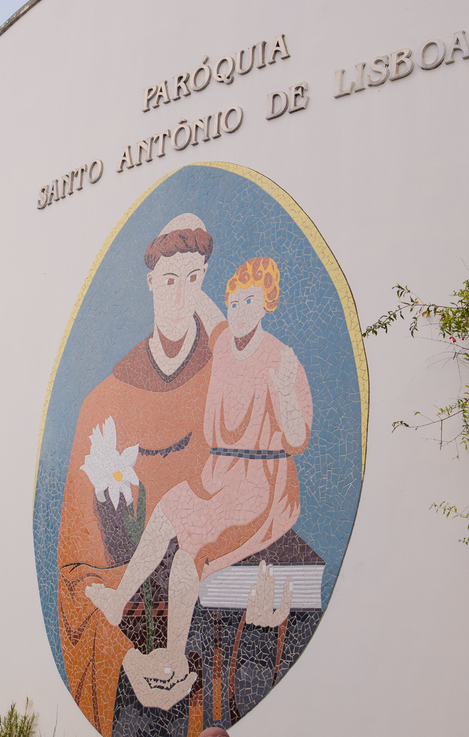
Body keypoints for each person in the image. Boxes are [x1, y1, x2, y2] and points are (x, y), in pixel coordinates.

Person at [84, 256, 312, 711]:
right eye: (234, 300)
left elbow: (299, 438)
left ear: (266, 303)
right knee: (168, 506)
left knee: (192, 556)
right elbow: (202, 306)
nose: (239, 307)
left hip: (259, 485)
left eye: (249, 299)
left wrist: (285, 393)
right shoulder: (225, 340)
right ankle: (119, 597)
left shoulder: (281, 359)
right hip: (219, 474)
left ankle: (171, 653)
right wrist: (180, 278)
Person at [56, 213, 226, 737]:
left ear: (206, 285)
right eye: (168, 280)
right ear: (151, 283)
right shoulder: (102, 405)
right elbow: (75, 573)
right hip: (129, 662)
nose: (179, 295)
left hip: (205, 649)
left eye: (193, 279)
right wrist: (128, 660)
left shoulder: (229, 392)